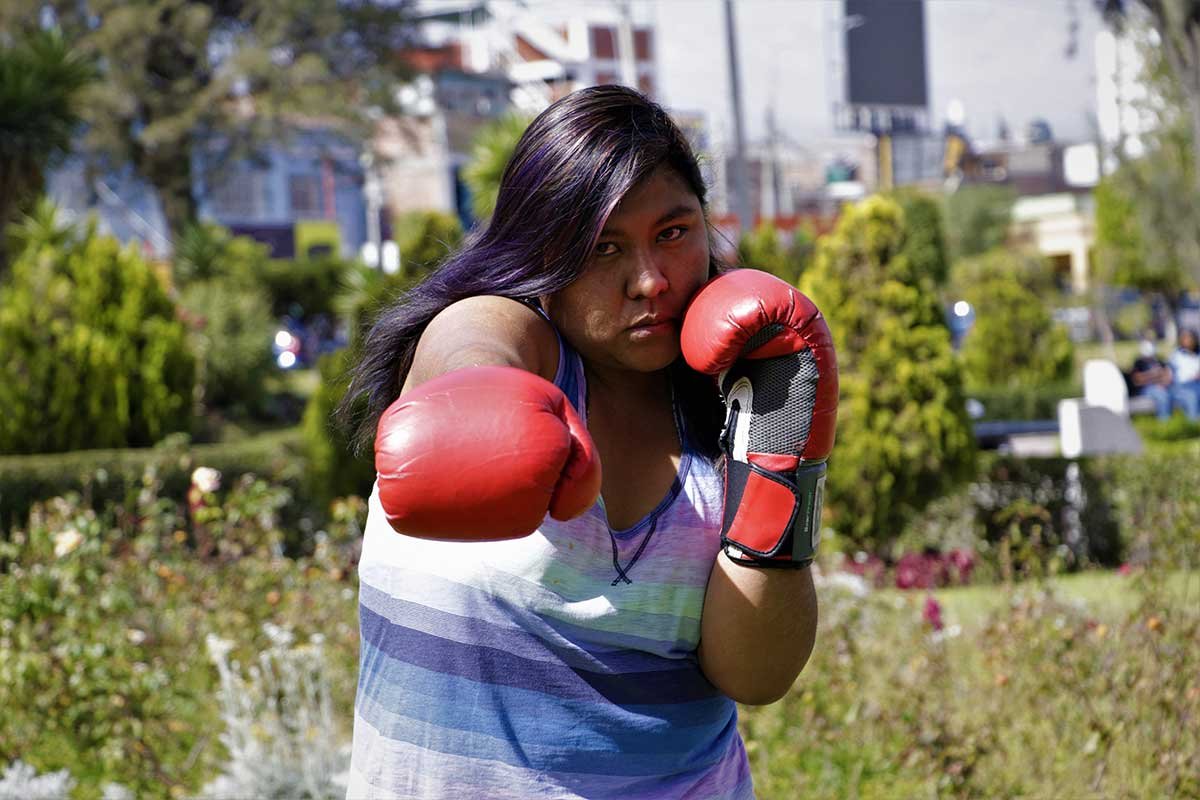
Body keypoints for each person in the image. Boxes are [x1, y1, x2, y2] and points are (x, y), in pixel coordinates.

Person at [338, 85, 838, 800]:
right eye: (603, 247)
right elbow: (470, 340)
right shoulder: (514, 338)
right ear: (543, 253)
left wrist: (781, 453)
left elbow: (758, 677)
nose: (650, 281)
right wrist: (476, 402)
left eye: (674, 232)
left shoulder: (738, 404)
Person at [1129, 333, 1174, 419]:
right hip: (1145, 389)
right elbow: (1137, 380)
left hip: (1162, 387)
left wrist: (1162, 381)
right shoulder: (1139, 363)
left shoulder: (1159, 361)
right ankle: (1164, 421)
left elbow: (1167, 376)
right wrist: (1152, 375)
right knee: (1161, 396)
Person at [1166, 328, 1200, 420]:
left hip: (1197, 384)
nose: (1187, 341)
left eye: (1190, 338)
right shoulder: (1176, 355)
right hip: (1182, 386)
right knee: (1192, 397)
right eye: (1184, 338)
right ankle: (1194, 424)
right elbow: (1169, 373)